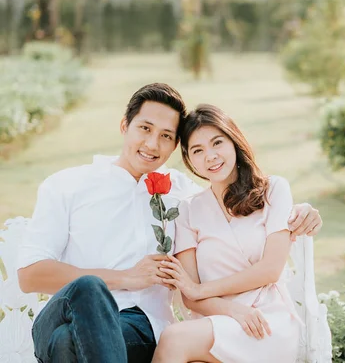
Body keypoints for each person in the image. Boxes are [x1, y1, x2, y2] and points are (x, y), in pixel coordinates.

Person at [16, 83, 323, 363]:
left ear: (177, 147)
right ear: (125, 126)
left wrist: (300, 210)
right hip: (64, 313)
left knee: (66, 344)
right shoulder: (67, 184)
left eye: (166, 136)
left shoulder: (180, 194)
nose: (152, 144)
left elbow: (234, 202)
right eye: (145, 128)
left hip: (136, 328)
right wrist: (125, 277)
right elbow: (30, 276)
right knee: (88, 291)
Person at [151, 104, 306, 363]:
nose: (210, 156)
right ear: (190, 159)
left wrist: (201, 290)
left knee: (174, 338)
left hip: (267, 320)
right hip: (218, 319)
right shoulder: (188, 210)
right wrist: (232, 310)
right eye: (198, 151)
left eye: (217, 143)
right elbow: (191, 297)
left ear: (233, 140)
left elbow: (270, 269)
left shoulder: (273, 190)